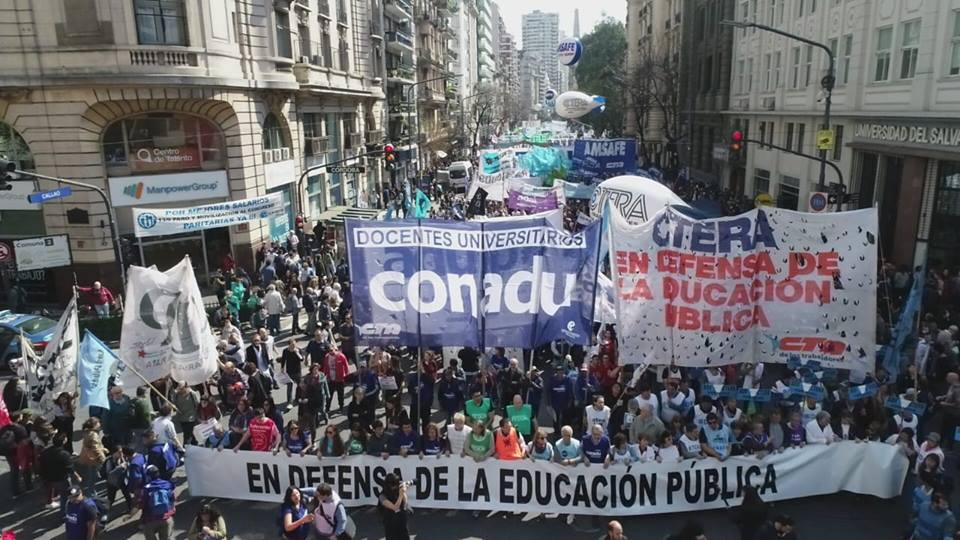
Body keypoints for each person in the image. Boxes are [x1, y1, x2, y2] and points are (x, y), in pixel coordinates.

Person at [140, 464, 176, 540]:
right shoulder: (167, 484)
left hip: (150, 520)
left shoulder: (146, 488)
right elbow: (172, 498)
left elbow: (143, 504)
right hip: (166, 517)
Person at [379, 473, 411, 540]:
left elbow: (405, 501)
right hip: (390, 521)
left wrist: (404, 493)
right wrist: (400, 495)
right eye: (394, 485)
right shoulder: (382, 496)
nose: (396, 487)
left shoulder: (398, 486)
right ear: (389, 485)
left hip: (401, 519)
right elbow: (395, 507)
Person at [323, 344, 350, 411]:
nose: (331, 352)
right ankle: (327, 407)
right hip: (331, 378)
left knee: (340, 394)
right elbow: (325, 367)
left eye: (332, 350)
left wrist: (346, 374)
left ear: (335, 349)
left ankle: (341, 406)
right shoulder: (327, 357)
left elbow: (346, 365)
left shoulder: (341, 356)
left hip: (339, 378)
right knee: (329, 394)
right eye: (329, 351)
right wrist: (325, 375)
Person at [281, 340, 305, 408]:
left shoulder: (299, 350)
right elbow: (283, 359)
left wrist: (297, 353)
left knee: (300, 385)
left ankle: (298, 398)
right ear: (289, 345)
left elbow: (302, 359)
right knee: (289, 387)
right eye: (292, 345)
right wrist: (282, 368)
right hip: (289, 372)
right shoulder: (285, 351)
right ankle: (289, 402)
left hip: (297, 371)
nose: (294, 346)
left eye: (295, 344)